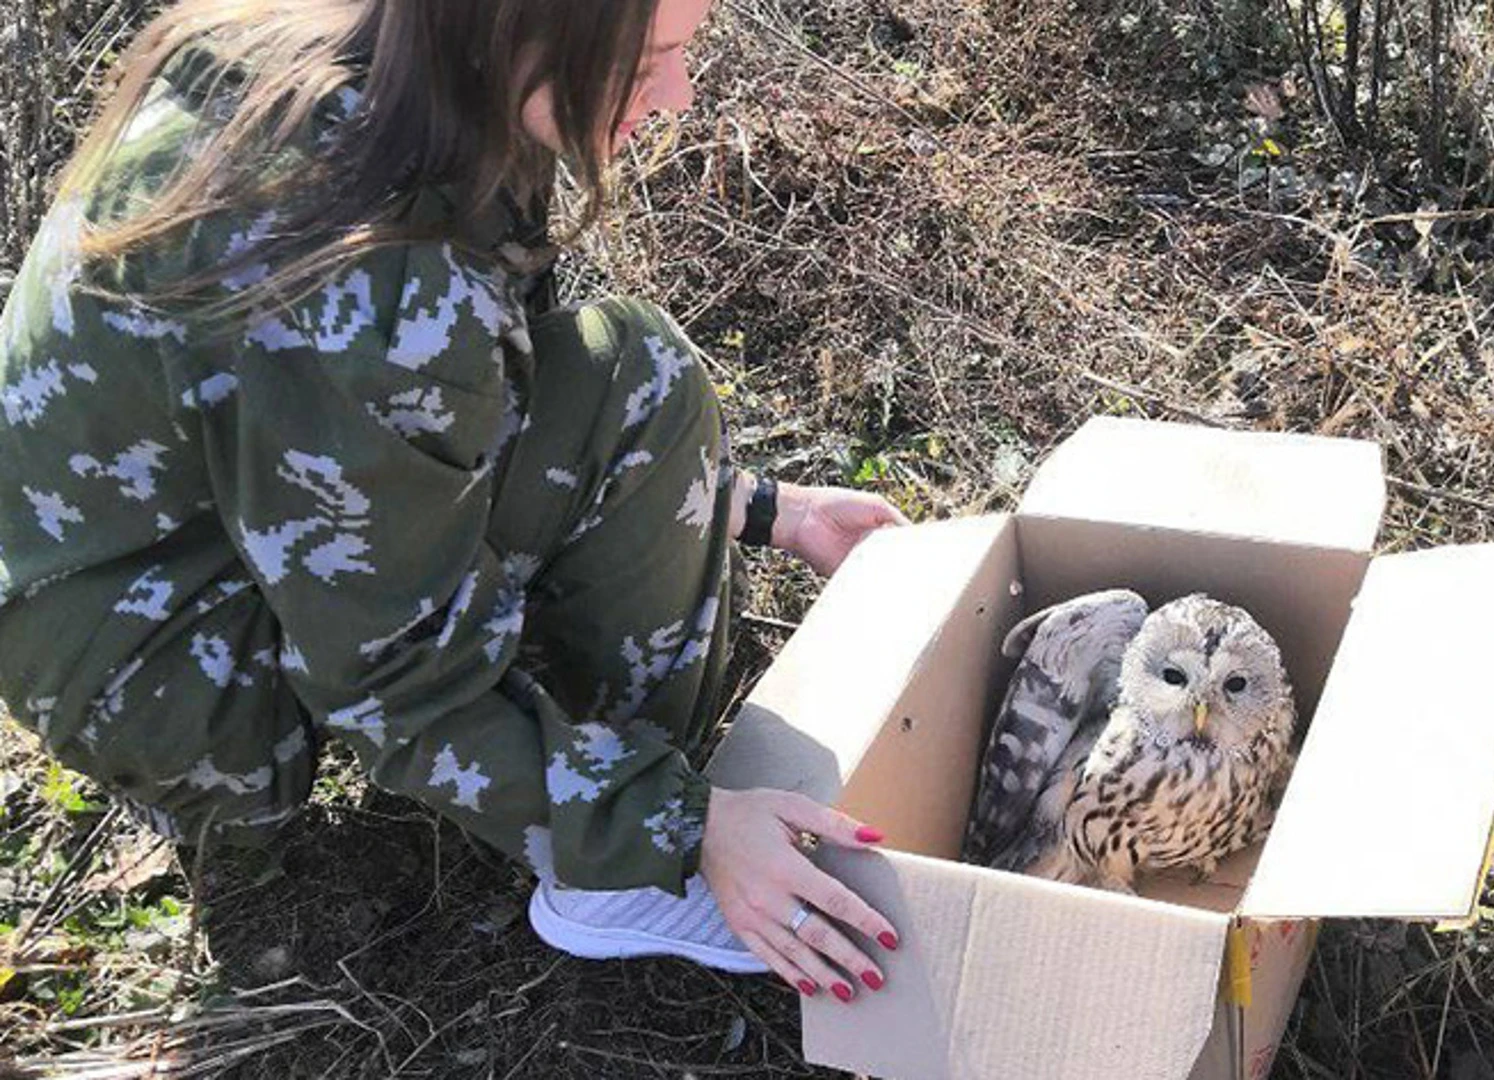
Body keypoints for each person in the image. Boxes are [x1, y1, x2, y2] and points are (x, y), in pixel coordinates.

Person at [0, 0, 905, 1003]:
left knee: (636, 371)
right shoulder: (361, 276)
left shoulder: (397, 59)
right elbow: (391, 681)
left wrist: (758, 507)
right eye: (647, 61)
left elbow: (454, 418)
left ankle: (590, 779)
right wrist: (682, 828)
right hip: (151, 669)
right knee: (629, 397)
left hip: (178, 541)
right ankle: (605, 867)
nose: (679, 96)